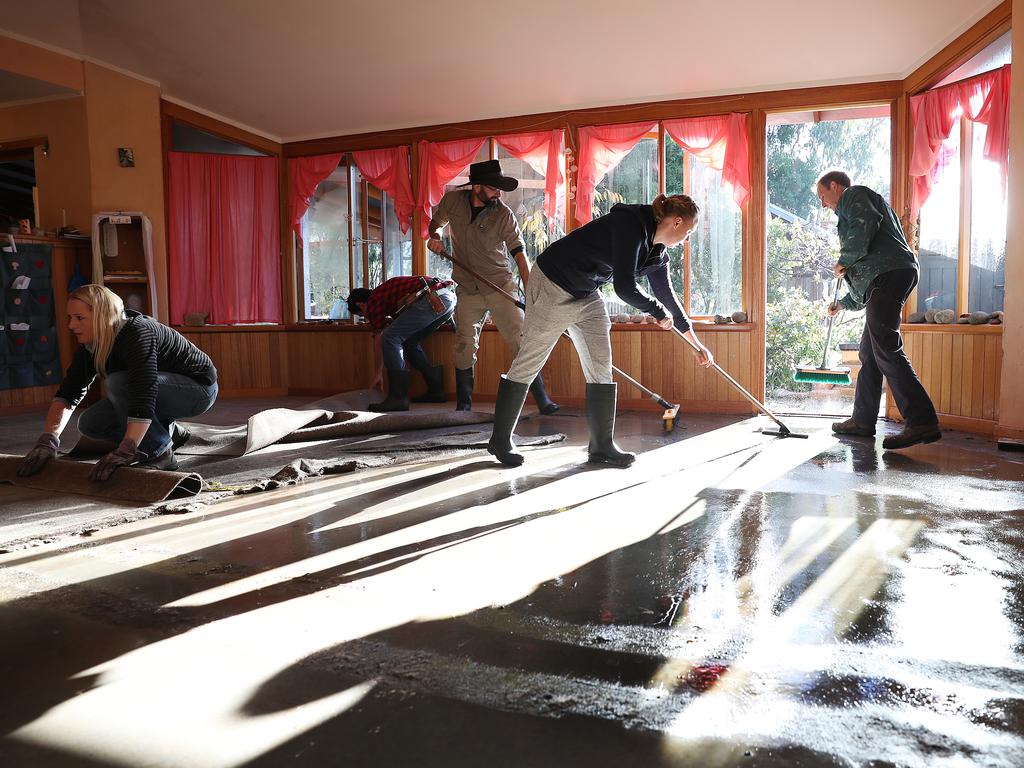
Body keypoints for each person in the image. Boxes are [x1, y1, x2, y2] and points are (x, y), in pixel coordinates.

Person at [487, 194, 714, 468]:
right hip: (553, 282)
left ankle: (601, 446)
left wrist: (696, 344)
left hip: (586, 291)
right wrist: (655, 311)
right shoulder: (630, 224)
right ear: (677, 222)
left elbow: (668, 298)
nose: (686, 240)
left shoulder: (657, 254)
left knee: (600, 364)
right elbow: (625, 287)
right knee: (530, 360)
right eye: (688, 232)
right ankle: (500, 440)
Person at [17, 284, 218, 482]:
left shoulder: (138, 333)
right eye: (70, 318)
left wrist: (127, 449)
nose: (71, 325)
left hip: (197, 390)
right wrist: (48, 440)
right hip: (159, 391)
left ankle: (160, 453)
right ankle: (170, 433)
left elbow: (144, 392)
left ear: (102, 316)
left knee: (118, 382)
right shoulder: (91, 345)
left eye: (79, 318)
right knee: (90, 423)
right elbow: (68, 395)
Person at [816, 170, 941, 450]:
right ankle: (862, 420)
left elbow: (864, 229)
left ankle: (921, 420)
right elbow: (867, 286)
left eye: (822, 196)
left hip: (890, 274)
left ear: (835, 186)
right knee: (870, 352)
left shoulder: (853, 195)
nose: (823, 204)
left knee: (885, 347)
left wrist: (844, 260)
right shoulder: (860, 208)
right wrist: (844, 303)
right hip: (889, 276)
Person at [426, 159, 559, 414]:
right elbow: (435, 226)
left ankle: (543, 400)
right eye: (494, 187)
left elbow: (520, 256)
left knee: (520, 341)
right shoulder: (452, 202)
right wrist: (436, 238)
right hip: (467, 289)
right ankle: (464, 405)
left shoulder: (504, 215)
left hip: (500, 287)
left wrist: (531, 295)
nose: (499, 192)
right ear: (476, 186)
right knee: (464, 345)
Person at [346, 275, 456, 412]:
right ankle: (436, 391)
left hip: (433, 298)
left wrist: (378, 373)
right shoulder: (384, 295)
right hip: (448, 298)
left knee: (390, 336)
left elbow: (380, 337)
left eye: (362, 314)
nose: (366, 317)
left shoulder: (373, 301)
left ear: (360, 305)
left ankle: (398, 398)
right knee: (409, 342)